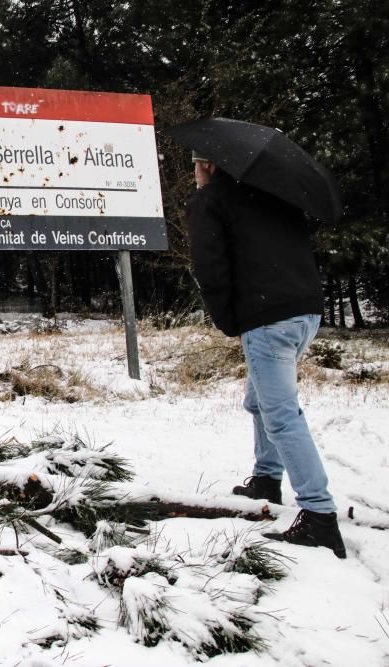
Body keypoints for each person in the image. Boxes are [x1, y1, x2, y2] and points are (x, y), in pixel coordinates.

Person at [185, 150, 346, 559]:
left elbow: (210, 265)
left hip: (267, 319)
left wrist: (227, 319)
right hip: (305, 311)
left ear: (206, 164)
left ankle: (319, 516)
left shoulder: (212, 200)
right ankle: (266, 480)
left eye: (195, 161)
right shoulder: (274, 194)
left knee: (280, 415)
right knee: (259, 400)